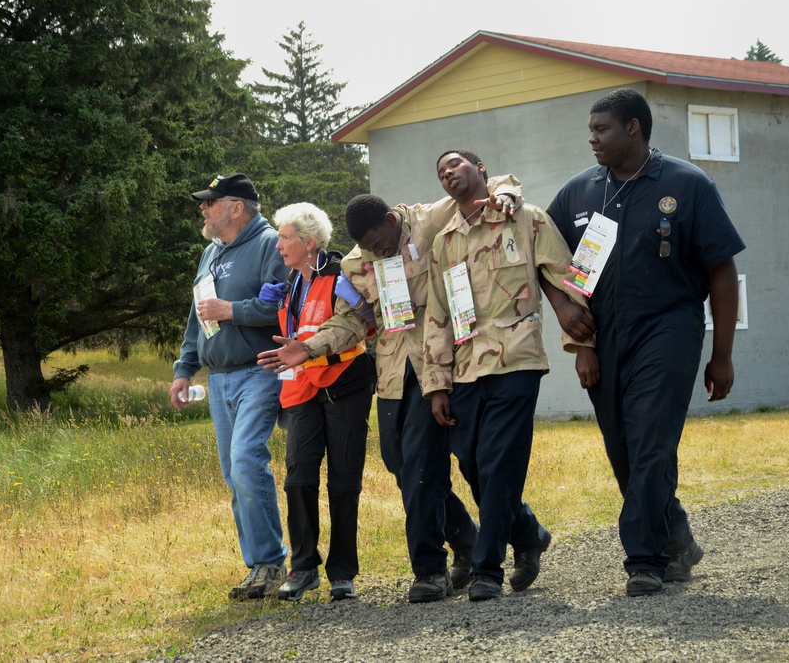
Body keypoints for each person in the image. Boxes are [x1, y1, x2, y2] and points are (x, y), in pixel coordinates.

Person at [258, 177, 529, 604]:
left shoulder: (430, 218)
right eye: (367, 248)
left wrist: (507, 193)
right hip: (390, 370)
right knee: (399, 463)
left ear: (390, 220)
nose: (376, 253)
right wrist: (306, 347)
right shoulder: (354, 262)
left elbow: (486, 184)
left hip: (439, 363)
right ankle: (512, 533)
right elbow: (352, 321)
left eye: (380, 244)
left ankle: (430, 569)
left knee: (427, 464)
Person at [545, 88, 745, 597]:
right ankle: (676, 535)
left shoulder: (687, 184)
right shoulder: (579, 192)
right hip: (604, 338)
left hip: (668, 329)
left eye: (601, 129)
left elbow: (722, 271)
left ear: (633, 128)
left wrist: (722, 355)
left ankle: (645, 559)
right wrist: (574, 329)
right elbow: (552, 264)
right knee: (625, 451)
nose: (592, 139)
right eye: (590, 130)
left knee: (651, 443)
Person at [422, 149, 596, 601]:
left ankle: (487, 569)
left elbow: (566, 278)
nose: (447, 173)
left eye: (455, 163)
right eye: (441, 171)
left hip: (517, 358)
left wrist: (583, 344)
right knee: (474, 465)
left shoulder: (526, 218)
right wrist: (437, 383)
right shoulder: (444, 242)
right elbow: (438, 315)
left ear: (481, 170)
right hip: (464, 368)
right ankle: (530, 533)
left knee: (500, 463)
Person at [171, 173, 289, 600]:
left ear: (235, 207)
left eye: (210, 202)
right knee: (233, 473)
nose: (202, 208)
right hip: (218, 378)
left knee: (245, 460)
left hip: (259, 370)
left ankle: (272, 563)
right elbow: (197, 317)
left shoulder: (269, 245)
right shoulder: (209, 253)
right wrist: (184, 369)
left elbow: (280, 306)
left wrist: (231, 310)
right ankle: (258, 565)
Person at [259, 202, 376, 602]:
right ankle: (304, 566)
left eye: (285, 237)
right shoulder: (291, 282)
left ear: (309, 243)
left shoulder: (342, 274)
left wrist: (306, 346)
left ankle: (342, 572)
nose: (278, 245)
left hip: (344, 384)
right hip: (303, 390)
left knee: (344, 482)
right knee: (298, 478)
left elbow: (354, 325)